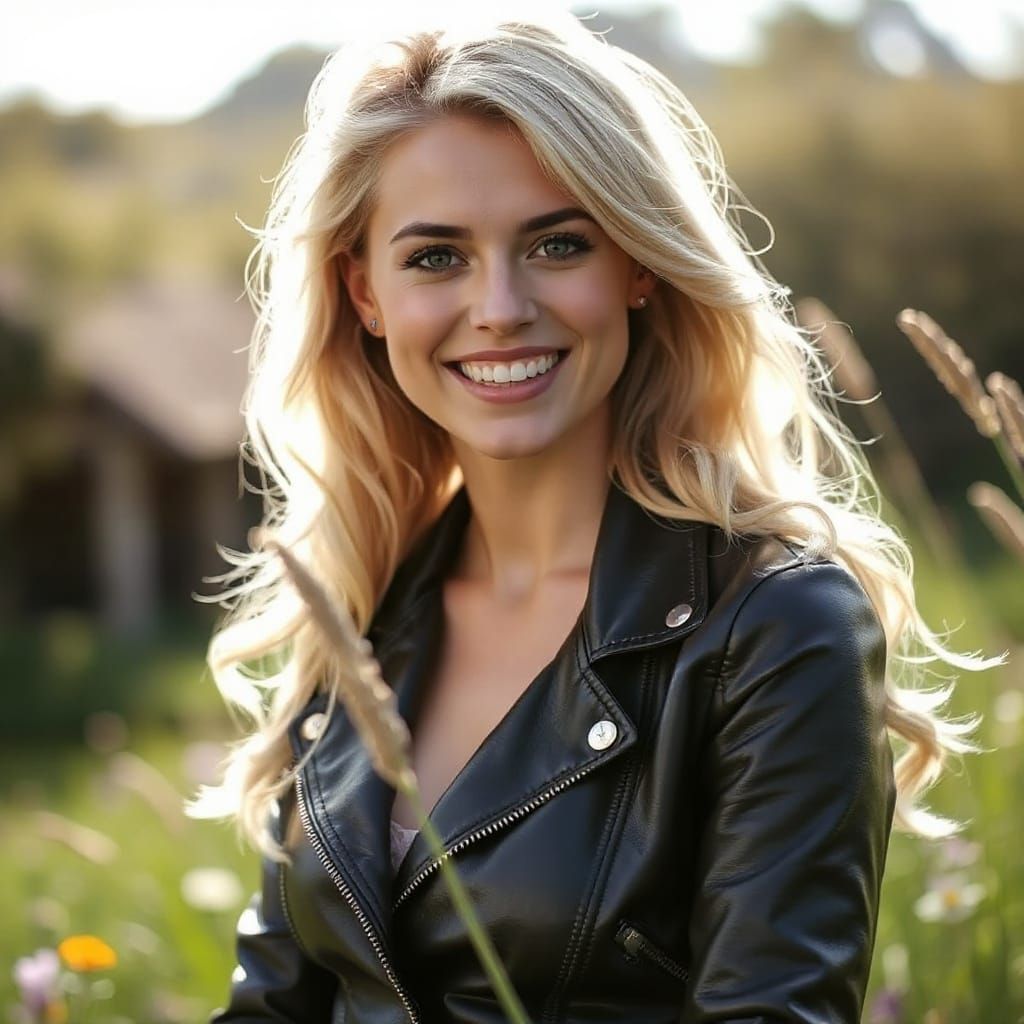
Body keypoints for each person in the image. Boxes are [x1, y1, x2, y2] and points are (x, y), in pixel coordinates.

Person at [191, 9, 983, 1022]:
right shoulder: (354, 608)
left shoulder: (777, 627)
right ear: (365, 292)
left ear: (637, 264)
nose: (500, 306)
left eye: (558, 244)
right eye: (435, 258)